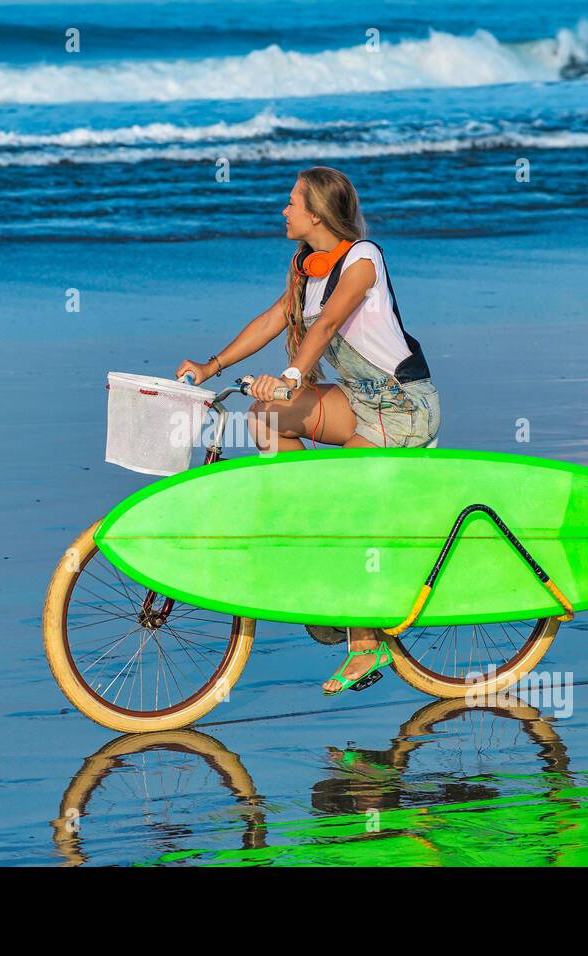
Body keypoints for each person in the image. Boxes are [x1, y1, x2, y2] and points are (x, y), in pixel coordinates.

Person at [176, 166, 441, 695]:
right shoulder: (307, 267)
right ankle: (315, 534)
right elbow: (272, 320)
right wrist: (211, 367)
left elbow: (327, 324)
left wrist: (293, 376)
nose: (284, 211)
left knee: (338, 507)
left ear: (317, 213)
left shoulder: (363, 259)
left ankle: (365, 644)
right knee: (266, 417)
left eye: (292, 203)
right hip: (360, 401)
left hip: (402, 409)